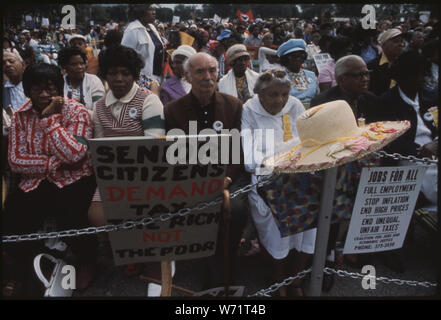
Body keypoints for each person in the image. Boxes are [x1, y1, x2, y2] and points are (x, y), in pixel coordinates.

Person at [3, 63, 98, 296]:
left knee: (72, 215)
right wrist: (52, 164)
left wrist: (48, 121)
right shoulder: (20, 116)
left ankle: (87, 262)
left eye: (50, 88)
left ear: (59, 88)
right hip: (35, 180)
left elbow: (75, 154)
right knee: (14, 214)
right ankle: (23, 266)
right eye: (37, 89)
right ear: (27, 90)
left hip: (73, 179)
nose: (45, 94)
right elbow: (16, 160)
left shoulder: (77, 112)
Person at [164, 53, 247, 288]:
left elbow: (238, 150)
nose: (208, 76)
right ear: (188, 76)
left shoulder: (233, 106)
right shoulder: (173, 111)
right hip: (192, 178)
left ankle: (224, 265)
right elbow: (174, 154)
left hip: (229, 177)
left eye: (212, 70)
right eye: (200, 72)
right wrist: (199, 180)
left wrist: (226, 179)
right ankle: (210, 265)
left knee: (236, 209)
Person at [241, 69, 312, 296]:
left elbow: (307, 140)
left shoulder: (295, 106)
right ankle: (278, 279)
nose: (280, 100)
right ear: (260, 95)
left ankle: (297, 280)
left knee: (313, 216)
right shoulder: (249, 110)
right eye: (273, 95)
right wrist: (281, 159)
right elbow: (250, 157)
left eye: (284, 94)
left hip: (299, 174)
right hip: (266, 177)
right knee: (277, 220)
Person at [376, 50, 437, 273]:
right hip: (407, 159)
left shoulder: (431, 96)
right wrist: (419, 151)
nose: (422, 80)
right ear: (403, 77)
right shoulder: (387, 101)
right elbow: (385, 140)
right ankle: (391, 249)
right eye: (417, 75)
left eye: (424, 75)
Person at [121, 4, 165, 83]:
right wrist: (141, 82)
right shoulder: (132, 30)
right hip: (141, 81)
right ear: (140, 12)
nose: (154, 12)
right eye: (150, 9)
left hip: (158, 78)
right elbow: (124, 60)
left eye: (154, 9)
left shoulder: (152, 27)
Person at [57, 46, 105, 113]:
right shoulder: (59, 82)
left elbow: (99, 110)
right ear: (64, 66)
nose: (79, 67)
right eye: (74, 64)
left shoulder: (93, 81)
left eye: (82, 63)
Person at [277, 39, 319, 106]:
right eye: (294, 56)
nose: (298, 59)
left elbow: (318, 96)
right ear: (285, 59)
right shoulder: (280, 77)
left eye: (301, 56)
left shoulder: (311, 75)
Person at [367, 28, 405, 96]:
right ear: (383, 45)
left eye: (402, 41)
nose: (401, 44)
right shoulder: (372, 66)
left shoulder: (405, 64)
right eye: (396, 41)